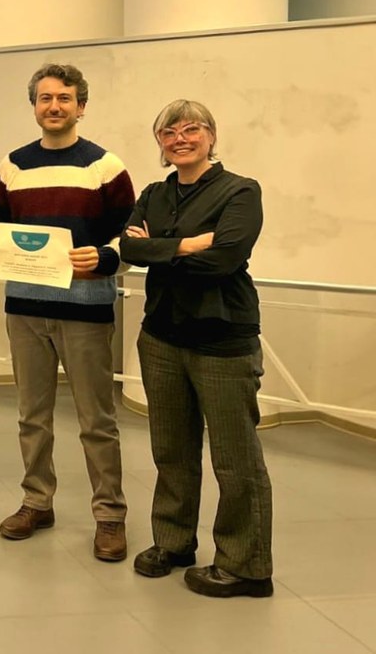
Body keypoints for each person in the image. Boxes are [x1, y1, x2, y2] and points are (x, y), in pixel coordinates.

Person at [0, 63, 134, 562]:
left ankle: (109, 515)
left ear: (81, 106)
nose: (54, 106)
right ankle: (36, 502)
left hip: (85, 309)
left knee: (96, 420)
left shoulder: (105, 167)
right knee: (32, 417)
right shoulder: (13, 166)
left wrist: (105, 258)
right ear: (34, 106)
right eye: (45, 98)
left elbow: (131, 237)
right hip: (24, 310)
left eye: (64, 98)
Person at [120, 99, 273, 598]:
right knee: (171, 451)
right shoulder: (154, 193)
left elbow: (225, 258)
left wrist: (158, 248)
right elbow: (129, 248)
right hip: (161, 337)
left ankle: (245, 567)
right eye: (169, 132)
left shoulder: (241, 191)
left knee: (235, 459)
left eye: (191, 129)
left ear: (211, 136)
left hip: (222, 340)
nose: (180, 139)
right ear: (160, 143)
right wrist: (187, 244)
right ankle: (173, 542)